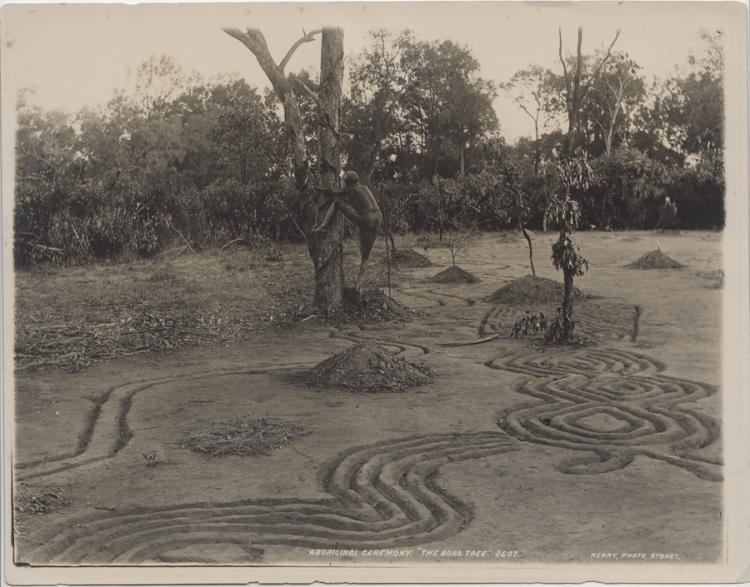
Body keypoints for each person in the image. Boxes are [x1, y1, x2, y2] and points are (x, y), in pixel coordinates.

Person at [312, 171, 383, 292]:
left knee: (337, 203)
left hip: (366, 219)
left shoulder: (351, 189)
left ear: (348, 183)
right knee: (365, 255)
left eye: (344, 182)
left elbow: (333, 192)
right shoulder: (364, 187)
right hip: (378, 217)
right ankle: (359, 285)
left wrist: (317, 188)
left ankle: (324, 225)